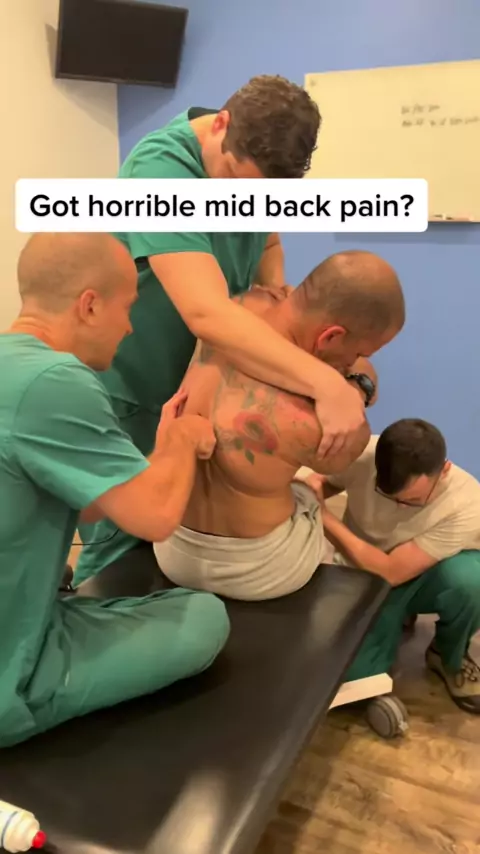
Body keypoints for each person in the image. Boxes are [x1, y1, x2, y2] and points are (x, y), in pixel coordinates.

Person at [74, 74, 370, 585]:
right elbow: (206, 312)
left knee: (175, 533)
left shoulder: (254, 160)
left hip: (201, 375)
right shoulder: (160, 172)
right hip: (136, 389)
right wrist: (328, 386)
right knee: (122, 544)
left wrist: (272, 296)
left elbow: (268, 244)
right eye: (234, 182)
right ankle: (86, 625)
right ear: (221, 125)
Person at [0, 232, 229, 749]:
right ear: (89, 305)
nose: (129, 327)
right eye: (127, 308)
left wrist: (162, 453)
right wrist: (184, 438)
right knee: (203, 617)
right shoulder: (57, 378)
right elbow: (156, 517)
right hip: (9, 678)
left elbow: (86, 502)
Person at [152, 250, 405, 601]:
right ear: (330, 336)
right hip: (256, 570)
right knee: (307, 494)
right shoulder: (310, 421)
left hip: (172, 547)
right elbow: (342, 455)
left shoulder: (235, 308)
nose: (354, 360)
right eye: (360, 352)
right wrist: (356, 386)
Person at [301, 419, 480, 714]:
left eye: (413, 501)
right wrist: (311, 488)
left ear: (444, 471)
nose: (399, 507)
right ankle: (393, 621)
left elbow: (391, 572)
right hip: (361, 572)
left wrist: (324, 518)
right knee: (352, 679)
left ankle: (448, 654)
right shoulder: (363, 454)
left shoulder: (467, 504)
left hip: (418, 573)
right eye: (388, 496)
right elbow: (324, 481)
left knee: (471, 581)